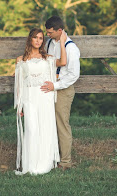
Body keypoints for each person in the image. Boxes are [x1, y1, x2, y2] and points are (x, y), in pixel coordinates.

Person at [14, 28, 67, 175]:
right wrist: (20, 105)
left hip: (45, 97)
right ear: (30, 39)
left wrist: (62, 42)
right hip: (29, 97)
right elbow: (19, 84)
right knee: (31, 129)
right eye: (35, 38)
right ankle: (30, 164)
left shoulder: (47, 58)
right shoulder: (21, 60)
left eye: (41, 38)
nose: (38, 41)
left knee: (45, 128)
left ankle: (44, 164)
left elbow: (63, 62)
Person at [41, 16, 80, 170]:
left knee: (61, 124)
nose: (47, 35)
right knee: (48, 123)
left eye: (50, 32)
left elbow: (73, 75)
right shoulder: (50, 43)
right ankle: (50, 157)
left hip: (63, 89)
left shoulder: (71, 48)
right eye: (47, 32)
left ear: (59, 30)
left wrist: (55, 86)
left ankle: (65, 162)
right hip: (49, 87)